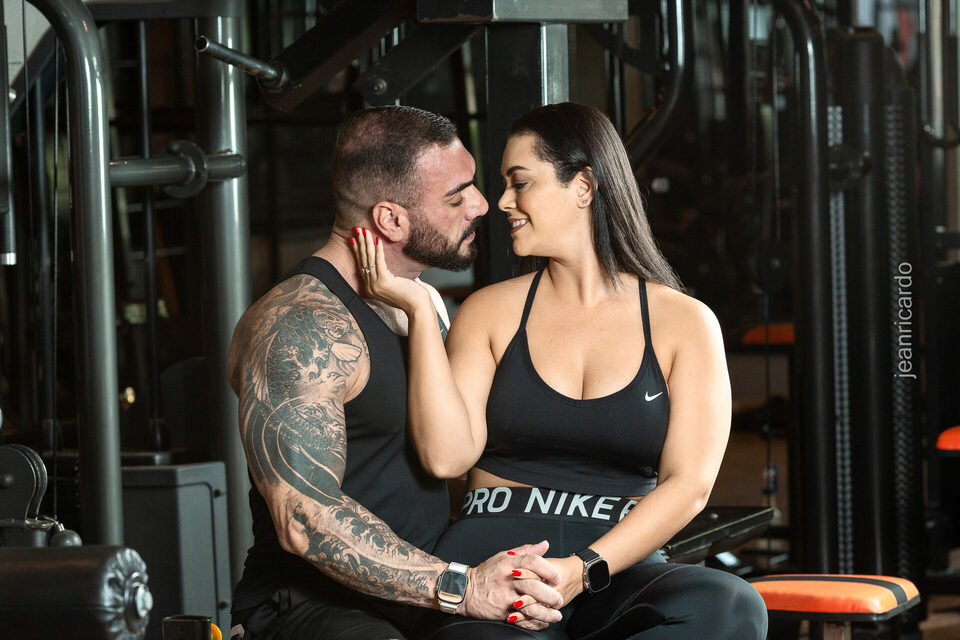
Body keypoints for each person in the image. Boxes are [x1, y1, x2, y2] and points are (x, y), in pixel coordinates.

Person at [351, 102, 770, 639]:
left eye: (520, 182)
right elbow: (445, 457)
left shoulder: (685, 323)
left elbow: (689, 485)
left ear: (584, 187)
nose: (503, 202)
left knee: (731, 605)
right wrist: (417, 308)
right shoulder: (490, 312)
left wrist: (582, 569)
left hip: (617, 568)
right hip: (499, 568)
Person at [226, 105, 566, 640]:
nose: (482, 204)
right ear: (390, 220)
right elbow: (302, 519)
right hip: (316, 605)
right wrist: (462, 586)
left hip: (427, 587)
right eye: (456, 196)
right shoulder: (300, 327)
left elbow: (449, 464)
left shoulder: (421, 303)